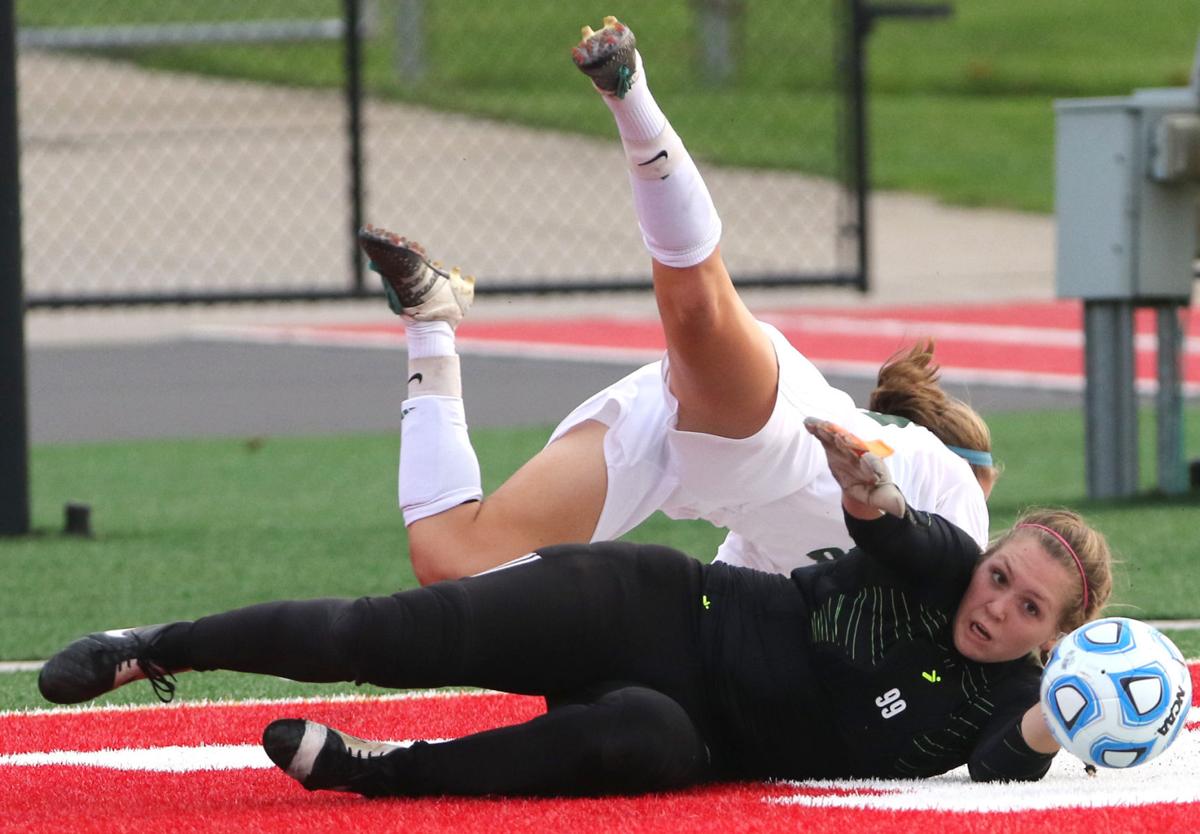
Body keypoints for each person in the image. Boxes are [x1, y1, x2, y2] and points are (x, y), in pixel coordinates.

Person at [37, 418, 1113, 796]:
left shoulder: (1016, 698)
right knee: (380, 634)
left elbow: (999, 767)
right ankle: (152, 647)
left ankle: (384, 773)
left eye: (1030, 609)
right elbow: (893, 528)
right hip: (652, 608)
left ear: (1054, 637)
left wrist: (1069, 705)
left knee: (634, 735)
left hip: (695, 738)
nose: (998, 605)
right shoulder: (945, 564)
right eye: (1003, 576)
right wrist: (866, 488)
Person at [358, 17, 998, 585]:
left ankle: (431, 316)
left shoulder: (779, 555)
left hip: (689, 464)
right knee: (696, 309)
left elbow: (738, 610)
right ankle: (629, 95)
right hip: (783, 430)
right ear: (982, 478)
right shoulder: (955, 497)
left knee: (452, 560)